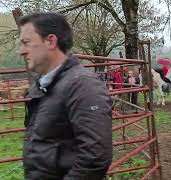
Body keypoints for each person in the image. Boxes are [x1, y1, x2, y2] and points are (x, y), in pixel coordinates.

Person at [18, 12, 112, 179]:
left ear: (50, 41)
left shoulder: (83, 85)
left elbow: (94, 158)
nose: (22, 51)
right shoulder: (42, 86)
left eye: (26, 43)